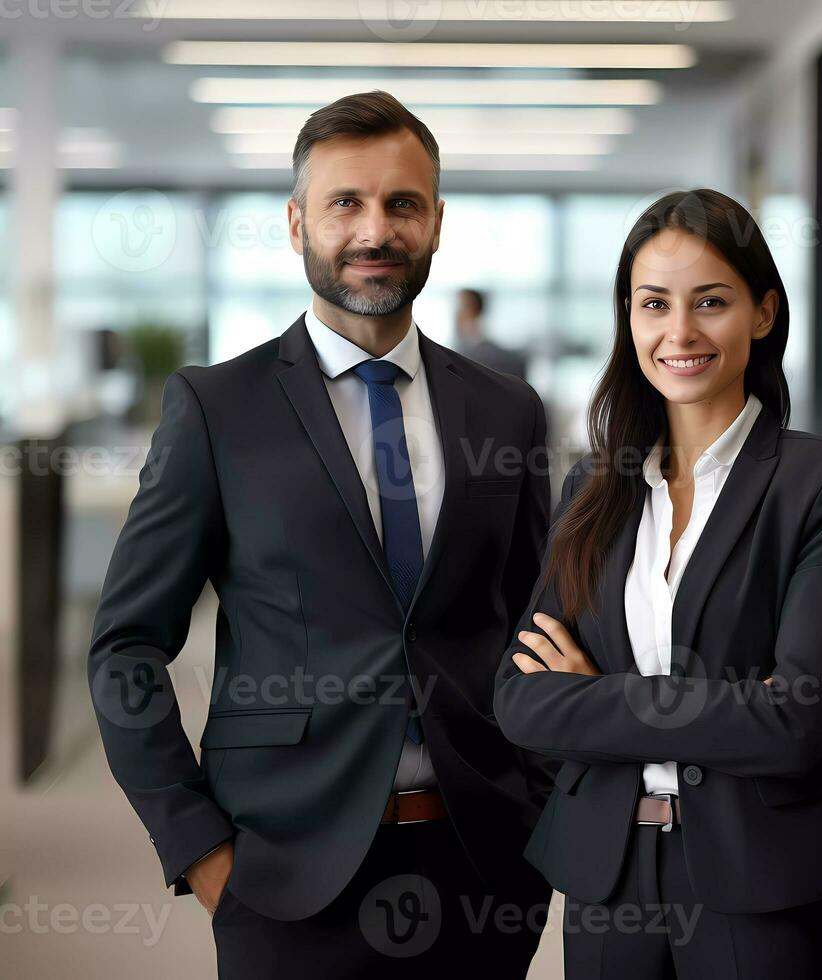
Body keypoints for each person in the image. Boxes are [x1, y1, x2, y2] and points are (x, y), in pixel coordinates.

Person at [88, 90, 555, 979]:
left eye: (401, 204)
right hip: (284, 882)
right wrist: (201, 852)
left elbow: (536, 626)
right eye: (346, 203)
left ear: (438, 223)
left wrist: (538, 817)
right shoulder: (218, 409)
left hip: (482, 873)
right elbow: (124, 649)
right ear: (297, 222)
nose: (374, 230)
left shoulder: (508, 411)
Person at [493, 188, 822, 979]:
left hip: (758, 878)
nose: (680, 332)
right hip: (609, 878)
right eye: (653, 304)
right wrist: (730, 704)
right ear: (628, 319)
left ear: (763, 313)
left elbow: (796, 719)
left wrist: (596, 696)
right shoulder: (592, 491)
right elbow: (521, 699)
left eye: (711, 302)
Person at [453, 288, 528, 381]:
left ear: (473, 311)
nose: (456, 314)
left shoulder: (485, 354)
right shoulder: (460, 348)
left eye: (460, 307)